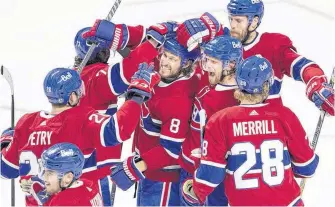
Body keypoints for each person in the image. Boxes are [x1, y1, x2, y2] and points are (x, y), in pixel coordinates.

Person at [0, 65, 160, 206]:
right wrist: (135, 97)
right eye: (79, 91)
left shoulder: (26, 123)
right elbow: (117, 130)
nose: (82, 95)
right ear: (71, 97)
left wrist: (5, 141)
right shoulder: (79, 118)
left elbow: (5, 170)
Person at [182, 56, 319, 206]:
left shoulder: (220, 120)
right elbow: (307, 168)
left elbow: (211, 176)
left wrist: (192, 189)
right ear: (267, 85)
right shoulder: (285, 116)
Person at [176, 0, 334, 116]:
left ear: (254, 22)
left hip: (268, 127)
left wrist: (317, 82)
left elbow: (303, 66)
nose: (232, 25)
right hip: (224, 129)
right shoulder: (220, 42)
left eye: (238, 20)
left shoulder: (272, 45)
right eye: (231, 19)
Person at [110, 38, 201, 206]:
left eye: (172, 59)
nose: (164, 62)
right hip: (150, 172)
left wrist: (135, 166)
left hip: (163, 181)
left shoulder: (178, 101)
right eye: (164, 55)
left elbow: (171, 150)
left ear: (187, 63)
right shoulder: (163, 75)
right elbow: (138, 52)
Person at [178, 35, 243, 206]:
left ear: (231, 65)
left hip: (209, 181)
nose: (207, 67)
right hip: (191, 169)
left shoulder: (235, 102)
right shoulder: (212, 84)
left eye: (213, 62)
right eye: (208, 60)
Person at [34, 142, 103, 206]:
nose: (44, 177)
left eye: (50, 173)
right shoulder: (89, 185)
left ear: (68, 178)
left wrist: (46, 204)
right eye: (45, 172)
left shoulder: (62, 202)